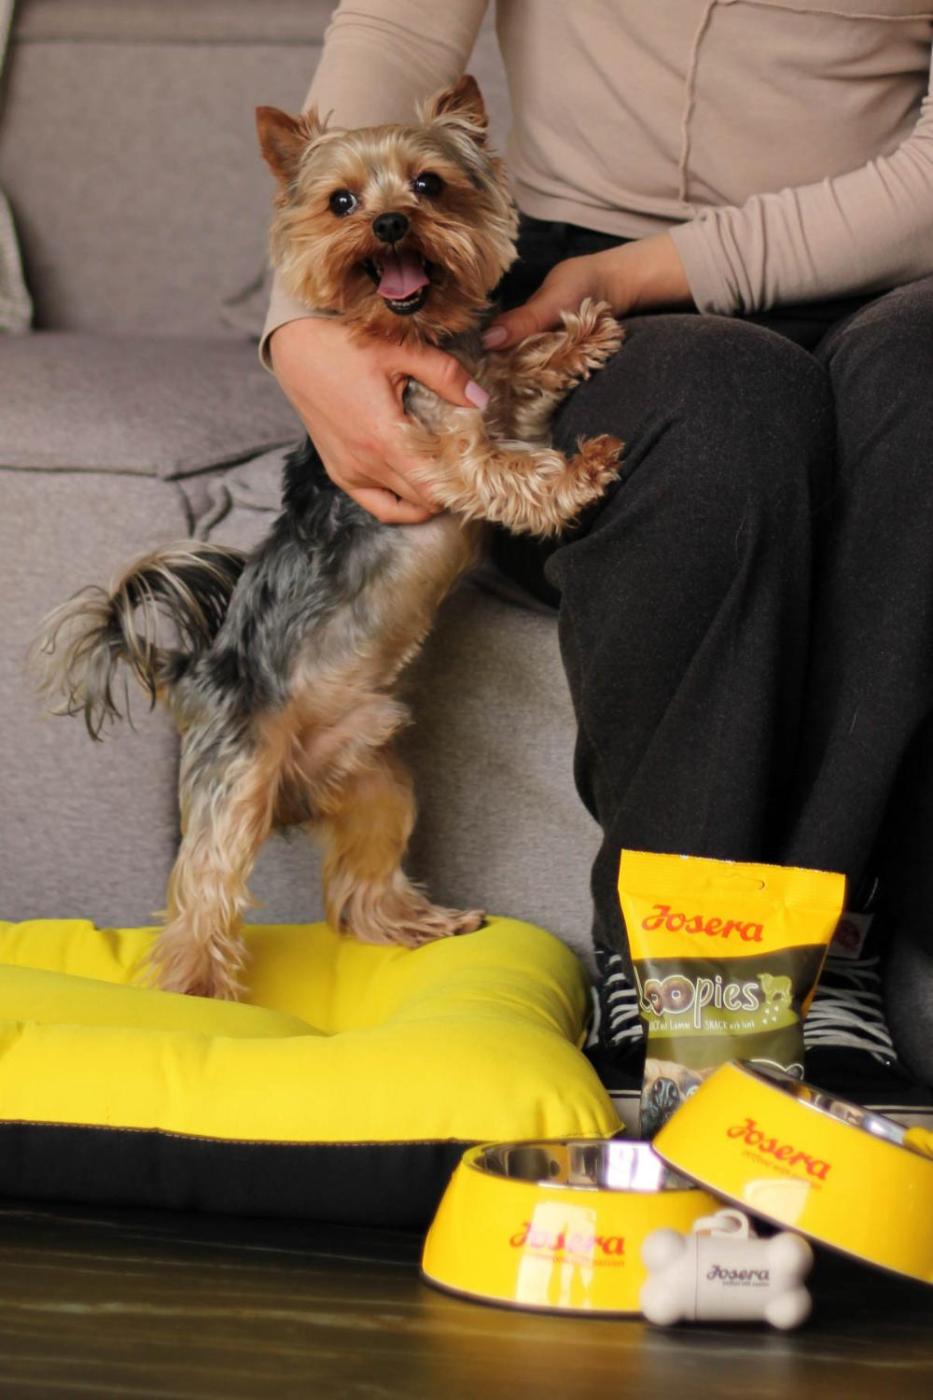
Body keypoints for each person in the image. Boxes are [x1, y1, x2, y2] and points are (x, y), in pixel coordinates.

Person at [263, 1, 933, 1105]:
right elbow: (394, 32)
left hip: (894, 263)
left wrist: (644, 274)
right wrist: (300, 325)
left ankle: (824, 945)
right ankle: (680, 967)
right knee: (719, 414)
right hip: (578, 272)